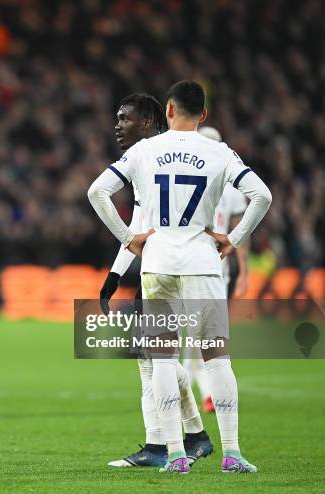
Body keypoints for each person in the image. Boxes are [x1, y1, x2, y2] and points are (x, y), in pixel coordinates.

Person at [88, 81, 271, 474]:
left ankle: (174, 454)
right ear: (203, 115)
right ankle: (232, 454)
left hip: (158, 264)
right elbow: (262, 196)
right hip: (204, 263)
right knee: (217, 360)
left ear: (168, 111)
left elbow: (97, 192)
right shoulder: (220, 152)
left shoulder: (143, 151)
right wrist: (234, 239)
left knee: (162, 360)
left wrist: (128, 239)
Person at [99, 94, 213, 469]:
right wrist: (116, 272)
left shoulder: (149, 158)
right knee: (152, 359)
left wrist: (121, 261)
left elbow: (131, 228)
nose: (117, 125)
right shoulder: (156, 159)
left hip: (171, 272)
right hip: (175, 271)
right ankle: (191, 436)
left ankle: (162, 445)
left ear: (149, 122)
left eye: (125, 118)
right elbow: (139, 228)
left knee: (154, 359)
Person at [182, 126, 250, 413]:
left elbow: (240, 229)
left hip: (213, 266)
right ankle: (207, 394)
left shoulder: (232, 185)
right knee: (197, 337)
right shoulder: (187, 178)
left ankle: (202, 394)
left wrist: (243, 270)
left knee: (200, 338)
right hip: (192, 264)